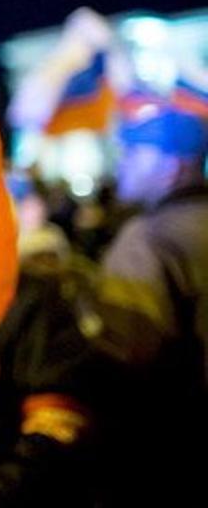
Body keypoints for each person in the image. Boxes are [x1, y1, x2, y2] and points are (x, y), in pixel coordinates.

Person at [97, 92, 208, 504]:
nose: (122, 162)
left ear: (172, 166)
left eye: (134, 152)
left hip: (175, 456)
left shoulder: (147, 239)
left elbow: (125, 360)